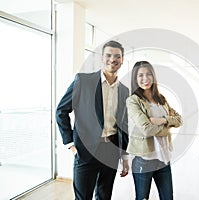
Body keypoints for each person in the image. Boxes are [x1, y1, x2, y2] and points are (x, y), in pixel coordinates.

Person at [56, 40, 129, 200]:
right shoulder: (83, 81)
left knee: (104, 195)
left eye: (117, 56)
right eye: (108, 55)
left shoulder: (124, 90)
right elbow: (61, 111)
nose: (113, 59)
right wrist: (71, 144)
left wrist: (124, 156)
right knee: (83, 197)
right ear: (102, 58)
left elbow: (124, 125)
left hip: (111, 150)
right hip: (85, 150)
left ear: (122, 60)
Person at [126, 61, 183, 200]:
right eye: (140, 75)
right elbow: (146, 129)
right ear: (135, 78)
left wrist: (163, 120)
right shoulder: (133, 100)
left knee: (167, 197)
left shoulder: (161, 99)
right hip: (144, 159)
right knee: (142, 198)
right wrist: (168, 126)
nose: (145, 78)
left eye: (148, 74)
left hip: (163, 157)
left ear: (153, 76)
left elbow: (179, 120)